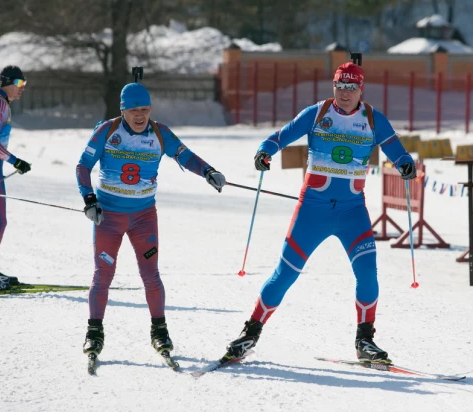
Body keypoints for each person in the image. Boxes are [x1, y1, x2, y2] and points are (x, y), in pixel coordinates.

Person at [222, 62, 416, 364]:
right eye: (340, 86)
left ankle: (365, 340)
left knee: (367, 273)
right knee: (285, 274)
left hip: (352, 212)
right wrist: (263, 153)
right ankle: (250, 333)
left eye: (352, 87)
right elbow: (278, 137)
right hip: (312, 210)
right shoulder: (318, 113)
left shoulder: (374, 120)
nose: (345, 93)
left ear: (361, 89)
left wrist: (405, 163)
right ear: (333, 87)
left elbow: (398, 152)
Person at [75, 82, 226, 362]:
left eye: (145, 109)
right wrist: (89, 200)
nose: (140, 115)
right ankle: (94, 332)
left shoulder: (159, 132)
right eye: (134, 110)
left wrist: (208, 171)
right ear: (123, 110)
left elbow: (185, 155)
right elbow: (83, 166)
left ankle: (160, 331)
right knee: (103, 275)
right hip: (108, 216)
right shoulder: (107, 131)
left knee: (151, 275)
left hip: (144, 216)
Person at [0, 65, 32, 291]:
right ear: (6, 82)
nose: (21, 89)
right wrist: (15, 161)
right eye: (18, 84)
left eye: (24, 84)